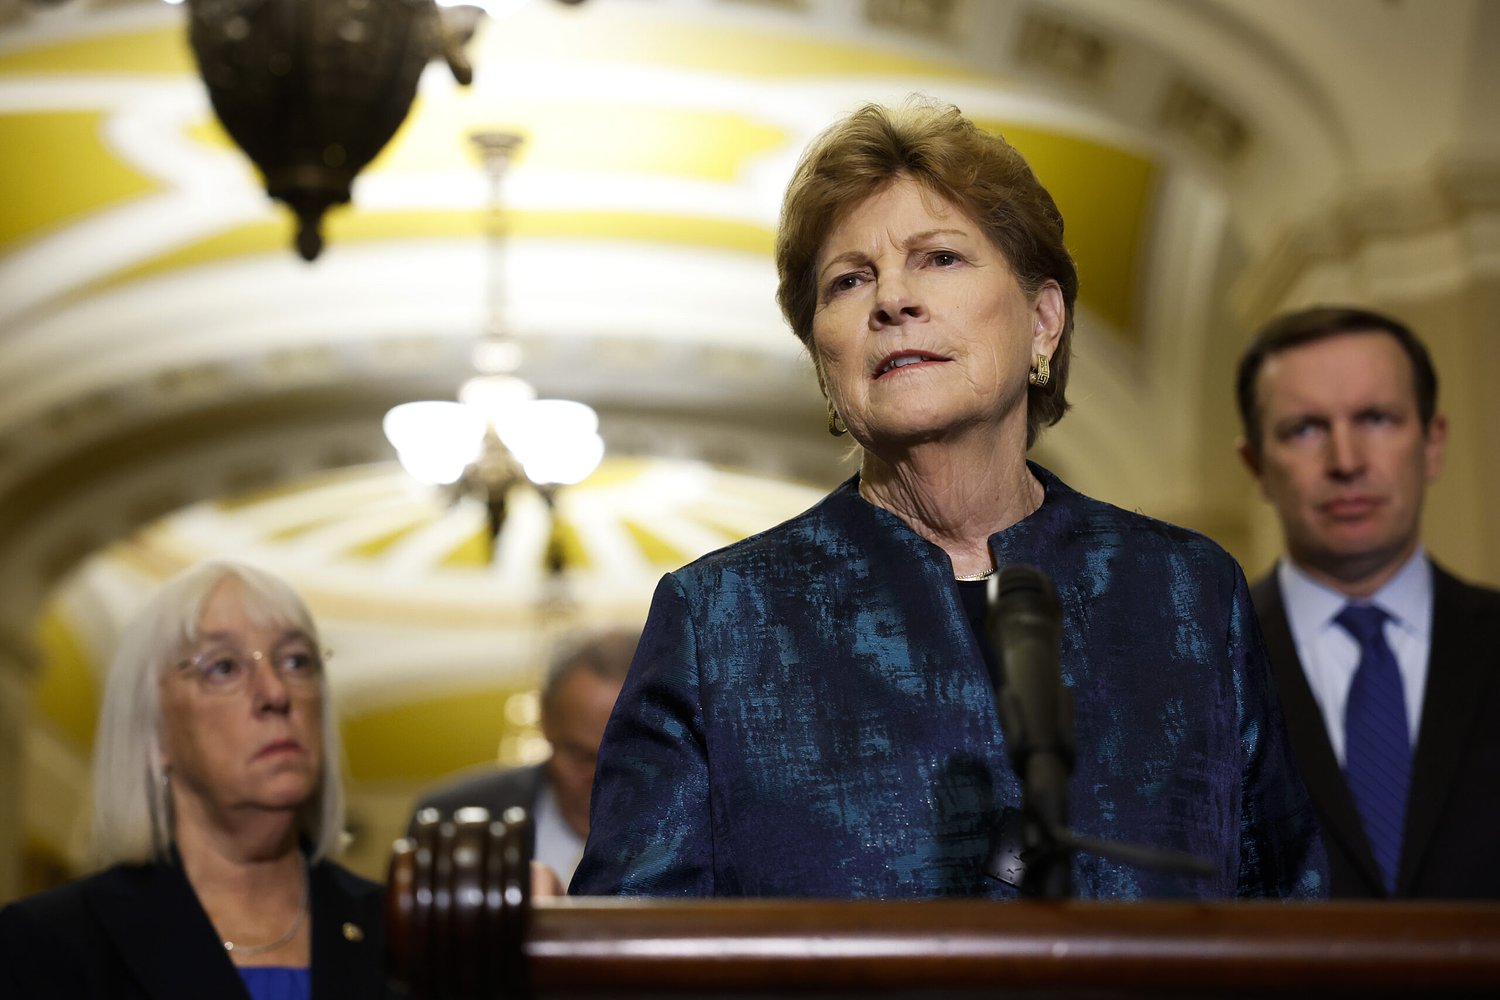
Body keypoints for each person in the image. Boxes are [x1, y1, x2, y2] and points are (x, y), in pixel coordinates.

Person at [571, 99, 1326, 900]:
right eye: (849, 279)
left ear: (1042, 322)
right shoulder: (718, 620)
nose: (892, 299)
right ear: (825, 358)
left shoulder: (1187, 592)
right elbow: (633, 949)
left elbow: (1289, 914)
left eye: (939, 259)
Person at [0, 560, 394, 999]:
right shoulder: (47, 946)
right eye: (224, 668)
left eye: (297, 661)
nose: (276, 692)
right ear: (153, 734)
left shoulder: (404, 936)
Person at [1235, 305, 1500, 899]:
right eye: (1305, 429)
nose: (1347, 462)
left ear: (1432, 444)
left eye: (1377, 419)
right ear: (1257, 466)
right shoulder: (1198, 669)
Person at [407, 627, 636, 887]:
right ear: (545, 718)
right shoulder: (448, 821)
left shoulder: (691, 836)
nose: (598, 783)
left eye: (625, 762)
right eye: (579, 756)